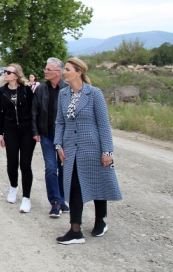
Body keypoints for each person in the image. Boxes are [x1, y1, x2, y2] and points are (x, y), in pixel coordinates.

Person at [55, 58, 122, 245]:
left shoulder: (94, 94)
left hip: (92, 147)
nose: (64, 72)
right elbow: (59, 122)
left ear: (78, 72)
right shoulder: (63, 94)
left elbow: (104, 124)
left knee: (97, 184)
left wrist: (107, 151)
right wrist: (58, 145)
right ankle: (75, 230)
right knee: (74, 186)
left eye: (67, 69)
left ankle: (100, 221)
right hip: (70, 149)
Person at [32, 58, 70, 218]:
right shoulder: (41, 89)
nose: (45, 72)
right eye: (45, 69)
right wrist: (35, 131)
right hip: (46, 134)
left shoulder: (68, 89)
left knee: (63, 168)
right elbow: (34, 111)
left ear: (58, 72)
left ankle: (62, 199)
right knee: (50, 167)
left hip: (65, 136)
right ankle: (54, 202)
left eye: (49, 69)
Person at [0, 64, 36, 213]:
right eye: (5, 71)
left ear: (17, 75)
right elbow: (0, 113)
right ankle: (13, 187)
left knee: (25, 165)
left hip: (26, 131)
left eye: (8, 72)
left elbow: (34, 111)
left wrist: (35, 131)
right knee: (12, 162)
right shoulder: (2, 91)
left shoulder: (26, 90)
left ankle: (26, 198)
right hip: (10, 130)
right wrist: (0, 133)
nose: (5, 73)